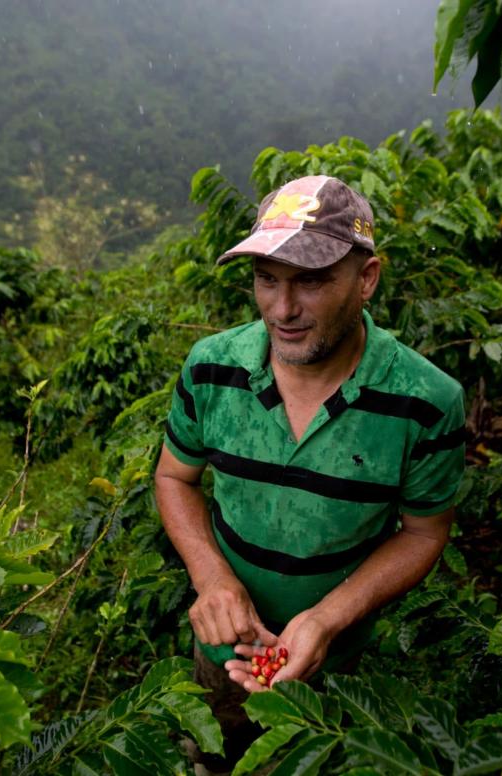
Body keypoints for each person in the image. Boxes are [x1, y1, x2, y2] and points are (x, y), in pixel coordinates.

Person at [154, 175, 465, 766]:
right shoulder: (211, 368)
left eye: (313, 281)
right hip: (222, 650)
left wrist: (327, 619)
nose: (283, 308)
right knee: (214, 752)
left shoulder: (425, 401)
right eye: (266, 280)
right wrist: (212, 578)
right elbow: (175, 478)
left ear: (367, 278)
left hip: (337, 663)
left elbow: (425, 531)